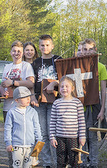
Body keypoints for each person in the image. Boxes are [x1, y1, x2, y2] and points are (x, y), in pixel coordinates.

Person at [76, 38, 107, 168]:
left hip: (94, 106)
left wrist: (102, 110)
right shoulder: (76, 65)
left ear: (95, 50)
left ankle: (93, 162)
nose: (87, 52)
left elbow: (104, 91)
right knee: (81, 136)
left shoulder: (100, 67)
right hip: (79, 107)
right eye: (84, 49)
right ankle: (83, 161)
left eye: (90, 49)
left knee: (92, 137)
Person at [32, 34, 62, 167]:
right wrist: (32, 95)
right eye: (42, 45)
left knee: (53, 132)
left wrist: (55, 82)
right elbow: (32, 81)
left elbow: (66, 77)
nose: (45, 47)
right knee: (42, 133)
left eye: (47, 45)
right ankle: (47, 163)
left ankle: (57, 162)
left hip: (55, 101)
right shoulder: (36, 62)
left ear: (52, 46)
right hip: (39, 102)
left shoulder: (59, 60)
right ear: (39, 46)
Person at [49, 76, 86, 168]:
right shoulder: (56, 103)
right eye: (62, 86)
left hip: (73, 137)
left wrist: (82, 136)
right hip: (60, 137)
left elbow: (81, 122)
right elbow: (52, 122)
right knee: (61, 160)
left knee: (74, 160)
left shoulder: (77, 103)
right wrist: (52, 137)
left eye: (67, 86)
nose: (64, 88)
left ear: (72, 88)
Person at [4, 86, 42, 168]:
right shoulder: (11, 112)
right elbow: (8, 128)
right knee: (17, 165)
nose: (28, 99)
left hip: (30, 145)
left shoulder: (32, 112)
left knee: (28, 165)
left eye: (29, 97)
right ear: (16, 100)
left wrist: (39, 139)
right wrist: (8, 142)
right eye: (24, 98)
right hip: (16, 145)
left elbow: (36, 126)